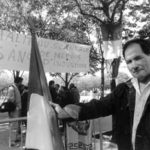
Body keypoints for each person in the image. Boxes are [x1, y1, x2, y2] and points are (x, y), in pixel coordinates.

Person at [52, 38, 150, 150]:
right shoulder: (124, 90)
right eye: (129, 61)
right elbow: (99, 106)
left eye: (138, 58)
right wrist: (66, 111)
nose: (134, 65)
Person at [7, 79, 22, 146]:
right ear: (18, 82)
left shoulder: (15, 88)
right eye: (21, 82)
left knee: (15, 124)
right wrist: (15, 106)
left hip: (16, 108)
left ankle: (15, 138)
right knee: (13, 125)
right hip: (14, 109)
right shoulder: (11, 88)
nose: (21, 83)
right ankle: (12, 141)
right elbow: (11, 98)